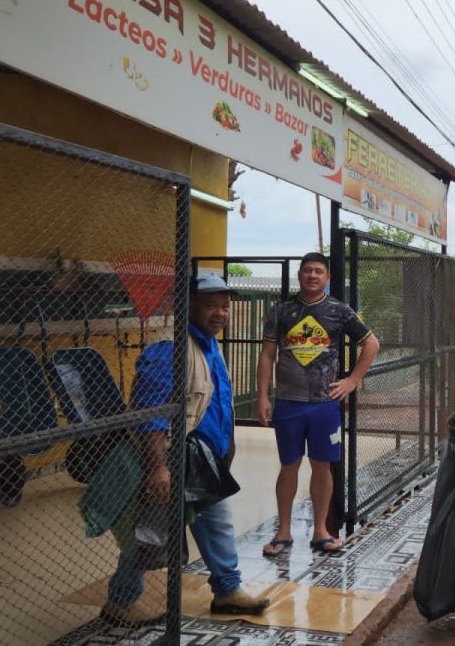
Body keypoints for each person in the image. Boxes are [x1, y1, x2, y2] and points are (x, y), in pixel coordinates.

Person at [100, 273, 271, 626]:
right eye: (211, 306)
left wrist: (227, 450)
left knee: (216, 523)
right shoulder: (169, 350)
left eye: (225, 306)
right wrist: (158, 468)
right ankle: (120, 601)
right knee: (150, 532)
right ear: (188, 306)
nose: (220, 313)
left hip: (203, 462)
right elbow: (151, 416)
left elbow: (218, 403)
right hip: (174, 460)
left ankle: (227, 591)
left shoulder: (210, 345)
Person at [256, 252, 380, 555]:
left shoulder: (339, 310)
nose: (312, 276)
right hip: (288, 402)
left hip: (325, 404)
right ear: (299, 275)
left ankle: (320, 530)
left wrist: (352, 380)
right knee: (289, 466)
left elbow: (372, 343)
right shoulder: (281, 311)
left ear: (327, 278)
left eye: (318, 272)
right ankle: (283, 531)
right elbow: (267, 355)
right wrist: (262, 397)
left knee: (322, 467)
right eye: (307, 271)